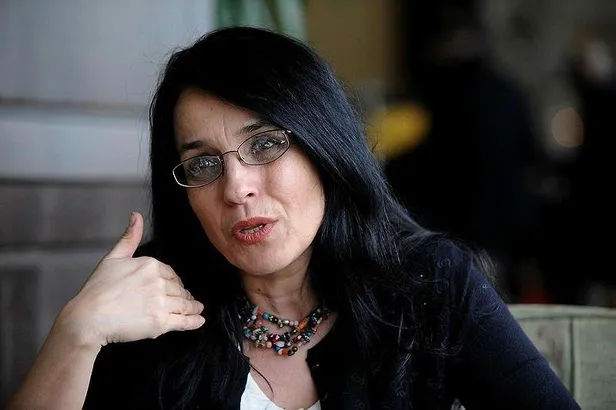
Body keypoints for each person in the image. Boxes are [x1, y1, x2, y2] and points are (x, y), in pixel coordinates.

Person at [6, 26, 580, 410]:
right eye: (202, 163)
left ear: (324, 148)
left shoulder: (431, 285)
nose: (237, 188)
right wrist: (78, 332)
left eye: (264, 145)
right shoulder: (156, 307)